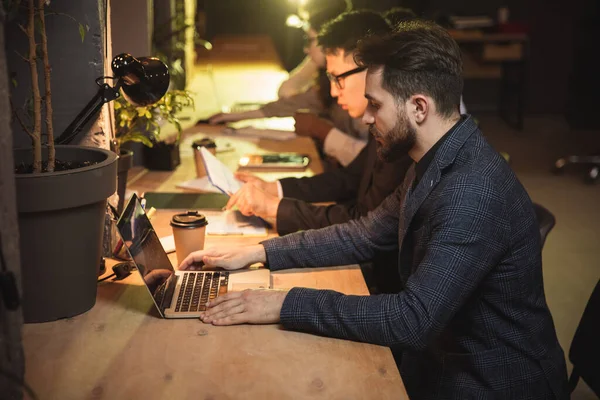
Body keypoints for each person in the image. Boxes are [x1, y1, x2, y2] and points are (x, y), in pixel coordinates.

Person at [180, 20, 569, 399]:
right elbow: (364, 232)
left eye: (375, 104)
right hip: (442, 361)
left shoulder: (470, 190)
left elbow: (411, 320)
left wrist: (282, 302)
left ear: (419, 107)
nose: (366, 118)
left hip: (487, 382)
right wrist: (258, 253)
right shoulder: (437, 157)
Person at [207, 3, 372, 167]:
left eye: (310, 40)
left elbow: (366, 165)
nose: (306, 49)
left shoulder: (364, 97)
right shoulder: (331, 85)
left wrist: (321, 130)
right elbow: (288, 99)